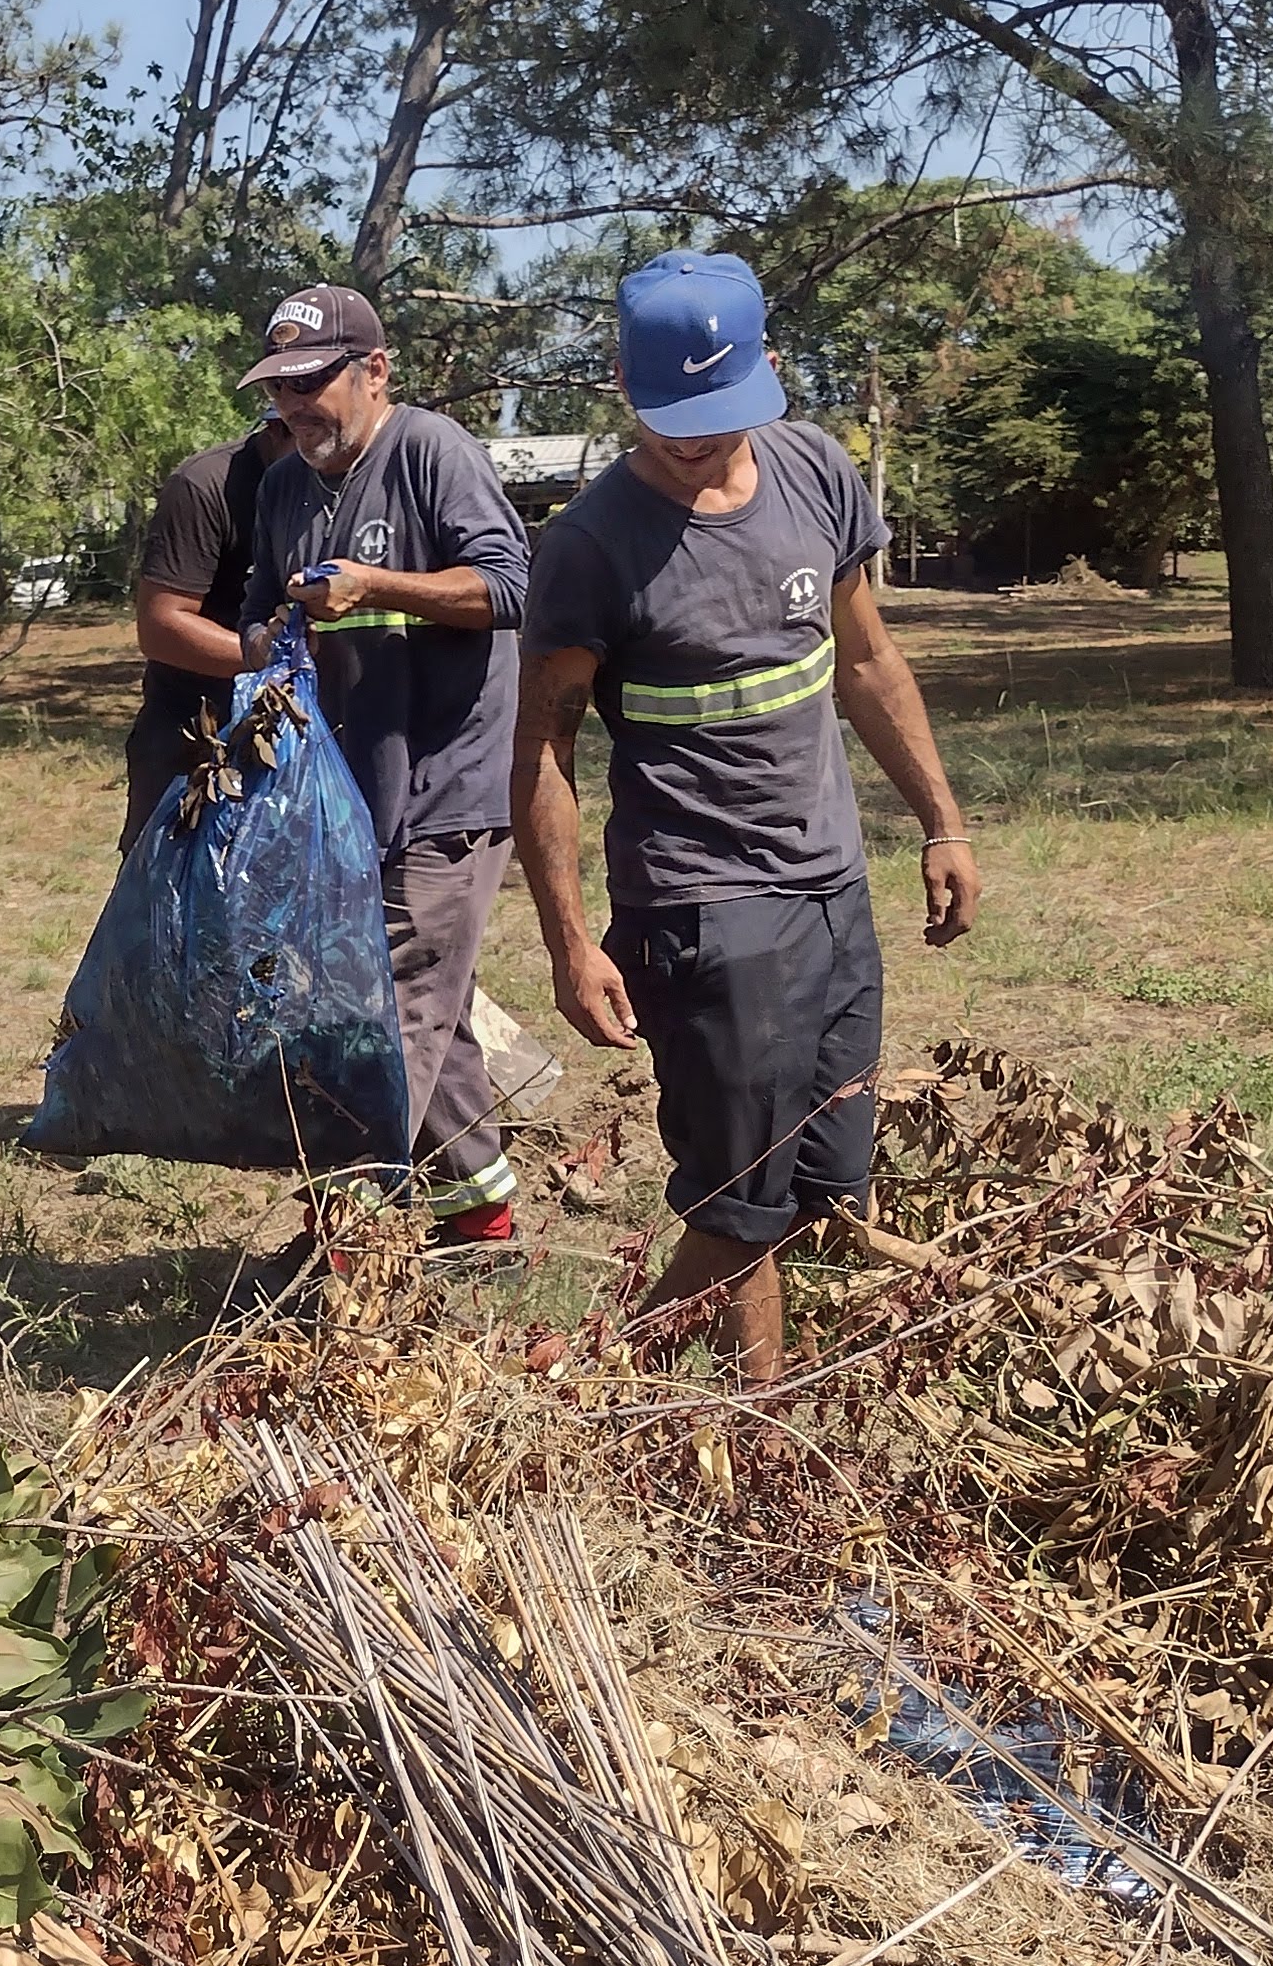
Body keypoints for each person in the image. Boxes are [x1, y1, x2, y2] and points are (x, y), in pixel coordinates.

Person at [514, 250, 979, 1383]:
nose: (694, 438)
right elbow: (541, 747)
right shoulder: (588, 546)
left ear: (770, 370)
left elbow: (865, 662)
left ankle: (635, 1380)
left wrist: (942, 822)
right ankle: (724, 1425)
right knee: (742, 1196)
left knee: (820, 1174)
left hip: (830, 885)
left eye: (718, 413)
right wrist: (570, 944)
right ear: (620, 381)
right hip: (704, 908)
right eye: (670, 412)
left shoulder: (817, 471)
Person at [233, 284, 533, 1257]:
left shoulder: (432, 452)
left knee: (384, 1019)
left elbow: (503, 587)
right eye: (279, 390)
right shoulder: (282, 487)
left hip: (445, 789)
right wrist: (274, 638)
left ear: (373, 371)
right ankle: (482, 1223)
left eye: (312, 382)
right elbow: (253, 624)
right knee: (424, 1018)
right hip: (336, 805)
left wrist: (376, 585)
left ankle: (345, 1247)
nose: (294, 407)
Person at [123, 406, 294, 846]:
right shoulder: (205, 486)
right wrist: (275, 656)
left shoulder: (339, 482)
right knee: (168, 897)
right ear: (276, 427)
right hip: (193, 740)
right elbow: (161, 624)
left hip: (296, 741)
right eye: (306, 432)